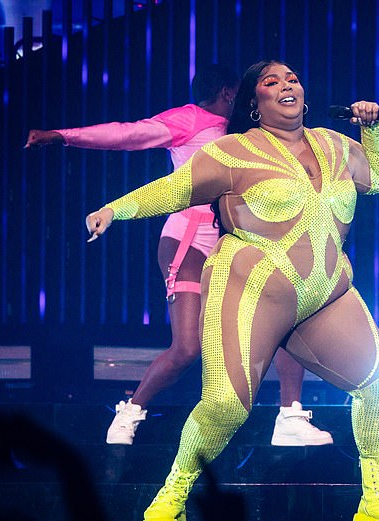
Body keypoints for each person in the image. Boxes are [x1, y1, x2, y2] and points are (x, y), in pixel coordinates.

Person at [85, 59, 379, 521]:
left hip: (324, 291)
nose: (287, 85)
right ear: (254, 102)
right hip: (255, 283)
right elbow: (174, 189)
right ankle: (172, 497)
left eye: (293, 79)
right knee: (225, 405)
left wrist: (372, 131)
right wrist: (113, 210)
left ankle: (376, 503)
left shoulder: (334, 143)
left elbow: (378, 179)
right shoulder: (234, 151)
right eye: (271, 82)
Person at [25, 64, 332, 448]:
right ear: (226, 92)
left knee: (287, 323)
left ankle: (291, 414)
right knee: (188, 346)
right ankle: (131, 410)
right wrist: (62, 136)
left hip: (238, 243)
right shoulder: (191, 120)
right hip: (190, 240)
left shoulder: (253, 134)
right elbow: (127, 134)